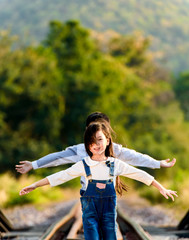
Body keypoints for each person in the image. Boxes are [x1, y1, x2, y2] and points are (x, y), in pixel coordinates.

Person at [19, 121, 178, 240]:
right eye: (91, 142)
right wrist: (34, 185)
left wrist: (161, 188)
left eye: (100, 139)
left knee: (111, 236)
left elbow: (139, 174)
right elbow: (59, 176)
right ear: (87, 145)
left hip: (109, 212)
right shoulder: (83, 164)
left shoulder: (115, 164)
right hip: (90, 213)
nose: (96, 144)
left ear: (108, 140)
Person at [16, 112, 176, 193]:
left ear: (107, 134)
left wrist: (158, 163)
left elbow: (136, 157)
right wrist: (34, 164)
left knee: (108, 226)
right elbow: (58, 157)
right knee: (91, 226)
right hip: (88, 194)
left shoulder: (116, 149)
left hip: (108, 195)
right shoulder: (80, 149)